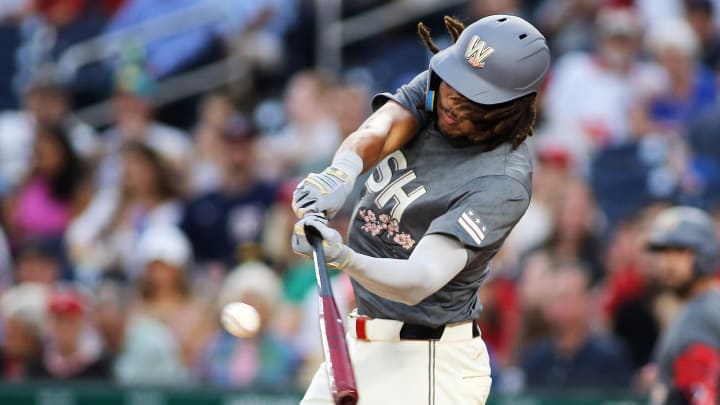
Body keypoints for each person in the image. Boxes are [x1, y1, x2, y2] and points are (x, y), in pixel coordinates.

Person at [291, 15, 550, 404]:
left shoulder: (502, 179)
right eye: (455, 83)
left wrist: (342, 257)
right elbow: (382, 129)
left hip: (427, 361)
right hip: (364, 341)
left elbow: (419, 279)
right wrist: (341, 173)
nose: (454, 101)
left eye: (475, 98)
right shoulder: (441, 90)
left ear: (512, 107)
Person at [645, 206, 720, 405]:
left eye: (678, 252)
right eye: (662, 252)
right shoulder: (693, 308)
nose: (666, 263)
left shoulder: (706, 313)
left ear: (706, 255)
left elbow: (700, 395)